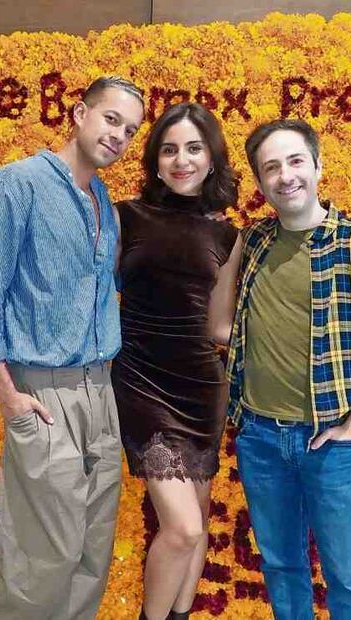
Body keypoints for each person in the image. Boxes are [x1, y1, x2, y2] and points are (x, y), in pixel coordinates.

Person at [0, 75, 145, 620]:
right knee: (43, 551)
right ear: (79, 113)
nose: (118, 136)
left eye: (129, 131)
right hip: (43, 391)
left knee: (91, 548)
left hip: (100, 388)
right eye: (111, 120)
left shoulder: (103, 200)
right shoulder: (14, 186)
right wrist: (8, 394)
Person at [226, 118, 351, 619]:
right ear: (261, 183)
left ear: (317, 165)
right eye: (271, 168)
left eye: (294, 161)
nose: (285, 176)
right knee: (282, 571)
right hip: (261, 439)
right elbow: (227, 325)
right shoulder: (256, 242)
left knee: (348, 579)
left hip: (332, 444)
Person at [112, 102, 242, 620]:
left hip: (200, 386)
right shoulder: (125, 215)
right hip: (141, 381)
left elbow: (217, 327)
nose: (181, 160)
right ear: (154, 160)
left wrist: (292, 342)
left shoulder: (227, 236)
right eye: (169, 149)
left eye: (193, 148)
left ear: (211, 158)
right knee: (182, 527)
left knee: (200, 518)